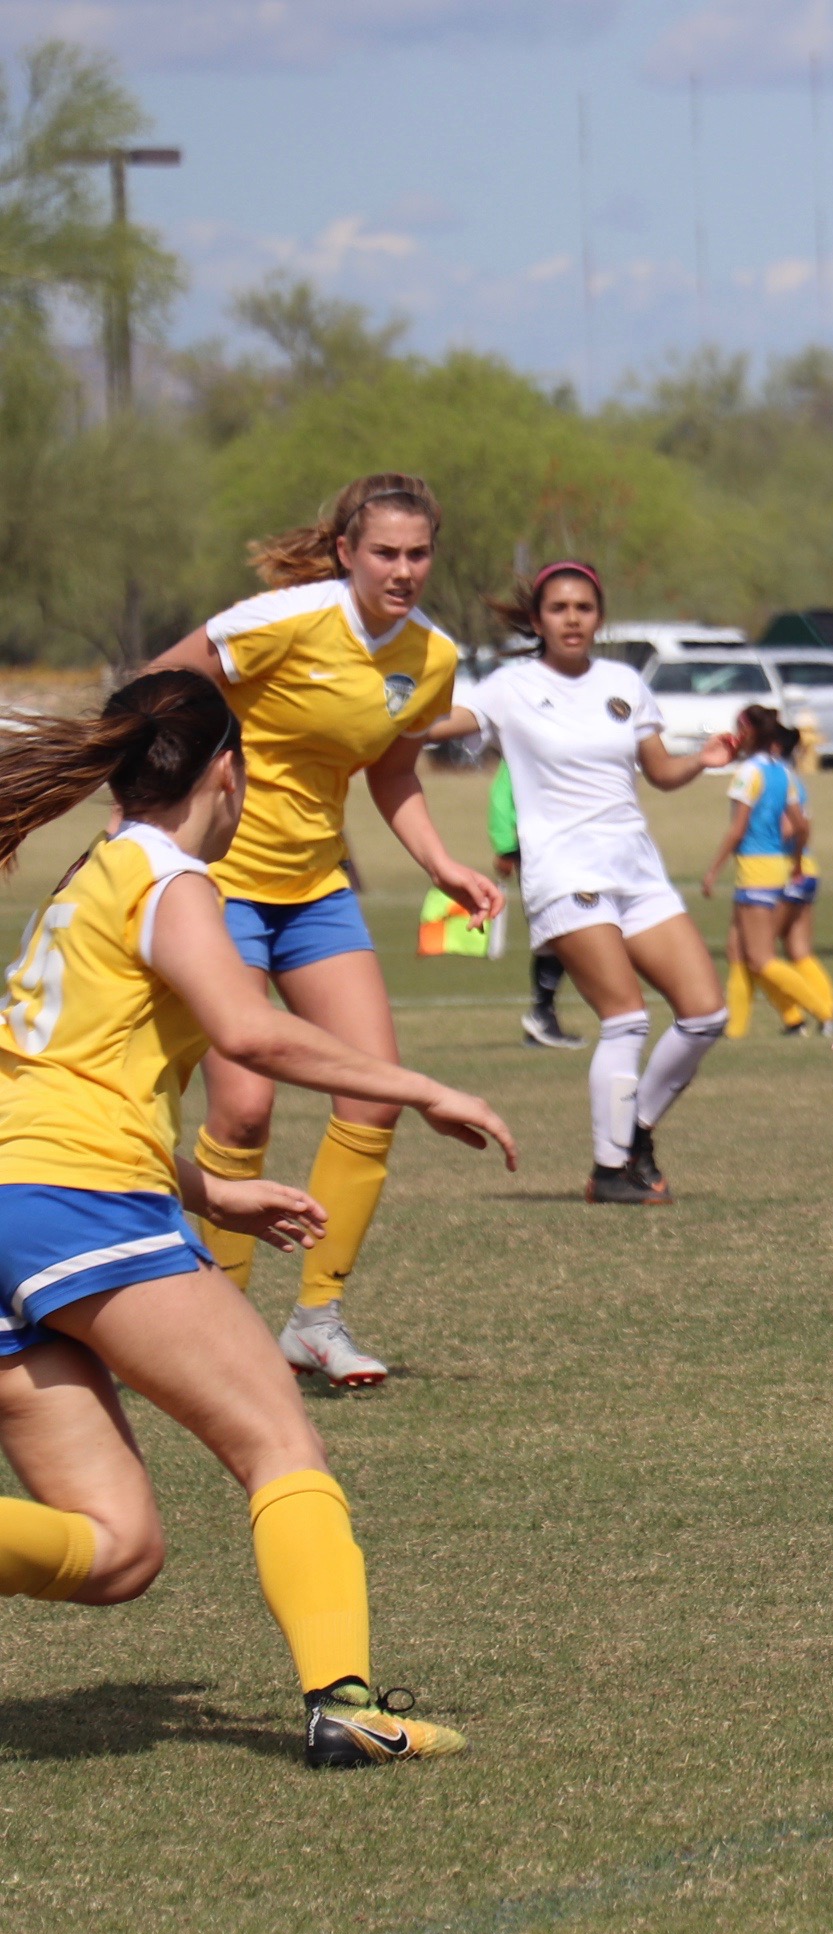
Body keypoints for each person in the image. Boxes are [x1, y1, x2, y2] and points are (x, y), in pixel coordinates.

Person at [0, 671, 517, 1766]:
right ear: (227, 773)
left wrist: (212, 1189)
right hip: (71, 1201)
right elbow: (249, 1029)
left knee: (116, 1551)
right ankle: (344, 1701)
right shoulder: (170, 877)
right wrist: (419, 1086)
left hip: (31, 1194)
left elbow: (69, 1079)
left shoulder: (93, 872)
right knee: (278, 1439)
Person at [146, 473, 504, 1388]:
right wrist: (168, 809)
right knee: (244, 1106)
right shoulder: (284, 618)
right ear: (346, 551)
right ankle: (210, 1329)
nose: (404, 569)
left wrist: (444, 865)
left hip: (316, 892)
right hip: (216, 886)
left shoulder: (429, 656)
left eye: (419, 553)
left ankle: (315, 1320)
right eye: (385, 552)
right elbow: (156, 687)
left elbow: (391, 773)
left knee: (374, 1093)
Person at [426, 560, 733, 1205]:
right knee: (625, 1018)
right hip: (566, 872)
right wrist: (377, 708)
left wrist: (700, 761)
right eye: (559, 608)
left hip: (636, 868)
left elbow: (658, 771)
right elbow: (431, 724)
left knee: (707, 1013)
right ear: (537, 620)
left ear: (599, 617)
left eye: (584, 608)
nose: (572, 618)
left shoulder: (623, 682)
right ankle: (610, 1169)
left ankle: (635, 1132)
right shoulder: (509, 687)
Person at [704, 706, 833, 1039]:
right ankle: (735, 1030)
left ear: (750, 733)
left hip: (755, 868)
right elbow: (801, 825)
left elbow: (738, 829)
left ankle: (827, 1014)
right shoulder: (783, 773)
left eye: (738, 729)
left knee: (761, 958)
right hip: (778, 868)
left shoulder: (749, 773)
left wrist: (713, 871)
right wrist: (794, 863)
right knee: (738, 951)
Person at [488, 758, 583, 1050]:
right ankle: (542, 1013)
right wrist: (505, 847)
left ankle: (543, 1013)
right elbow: (501, 795)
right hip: (537, 851)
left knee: (567, 929)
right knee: (559, 929)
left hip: (573, 847)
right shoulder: (524, 739)